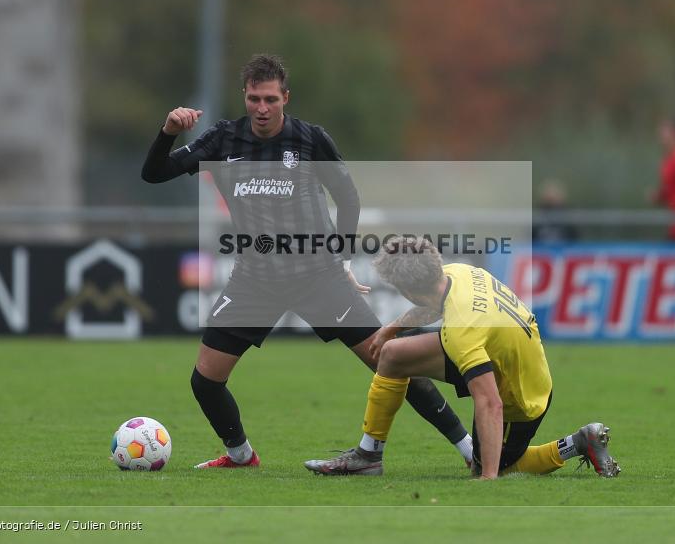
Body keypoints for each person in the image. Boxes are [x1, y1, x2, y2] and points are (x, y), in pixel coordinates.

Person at [141, 54, 473, 469]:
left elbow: (348, 198)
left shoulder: (311, 139)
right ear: (244, 97)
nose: (261, 109)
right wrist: (168, 132)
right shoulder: (222, 140)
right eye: (253, 99)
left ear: (285, 98)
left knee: (392, 359)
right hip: (255, 279)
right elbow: (154, 174)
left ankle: (469, 448)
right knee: (205, 380)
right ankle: (241, 456)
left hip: (318, 276)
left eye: (270, 99)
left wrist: (343, 256)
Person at [303, 236, 620, 479]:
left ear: (407, 290)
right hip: (506, 355)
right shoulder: (456, 273)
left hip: (521, 395)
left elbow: (490, 403)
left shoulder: (462, 329)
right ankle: (369, 456)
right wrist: (392, 329)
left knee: (503, 465)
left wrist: (487, 478)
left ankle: (579, 442)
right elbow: (433, 303)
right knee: (393, 355)